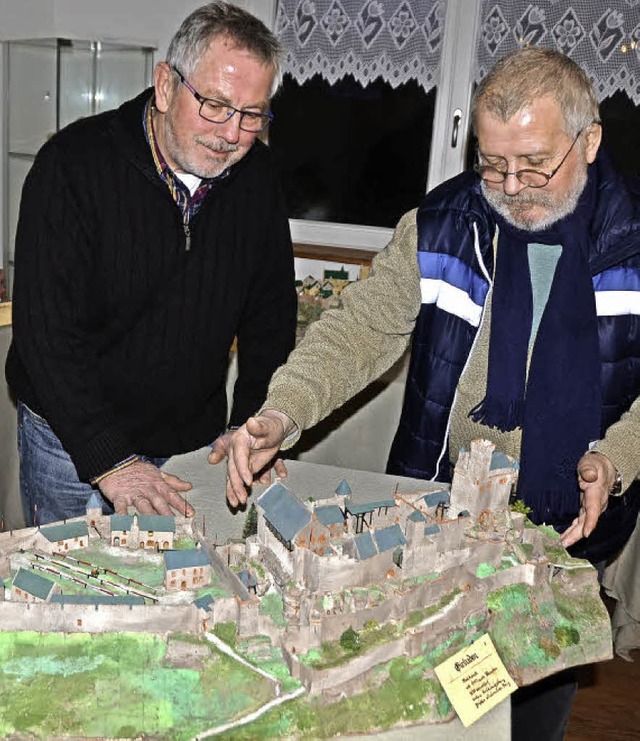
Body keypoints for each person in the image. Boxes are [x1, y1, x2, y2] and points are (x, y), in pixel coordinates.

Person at [212, 48, 640, 740]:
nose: (509, 185)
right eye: (491, 163)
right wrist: (281, 409)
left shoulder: (633, 245)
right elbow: (359, 330)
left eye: (533, 163)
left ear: (589, 141)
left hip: (565, 532)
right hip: (445, 517)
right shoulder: (444, 223)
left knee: (532, 708)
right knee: (440, 703)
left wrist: (616, 453)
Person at [6, 1, 297, 526]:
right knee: (68, 588)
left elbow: (270, 318)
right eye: (215, 104)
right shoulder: (72, 167)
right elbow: (45, 334)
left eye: (252, 115)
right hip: (69, 443)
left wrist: (251, 426)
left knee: (176, 595)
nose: (231, 134)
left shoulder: (259, 180)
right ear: (166, 86)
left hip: (190, 442)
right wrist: (110, 459)